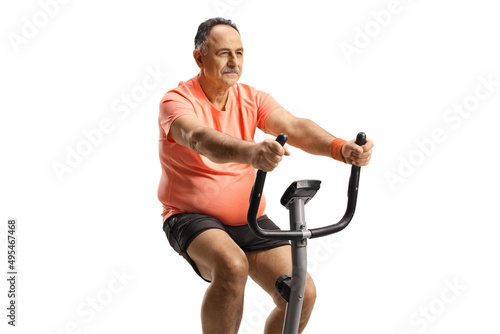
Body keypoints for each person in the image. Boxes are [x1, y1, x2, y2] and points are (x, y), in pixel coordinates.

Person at [158, 17, 374, 334]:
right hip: (191, 216)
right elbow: (198, 138)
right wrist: (251, 152)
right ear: (199, 58)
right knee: (232, 266)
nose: (234, 62)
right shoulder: (177, 101)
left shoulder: (252, 98)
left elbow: (296, 127)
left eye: (240, 53)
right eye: (223, 54)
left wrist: (340, 148)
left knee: (302, 293)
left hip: (249, 218)